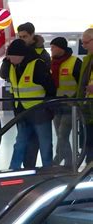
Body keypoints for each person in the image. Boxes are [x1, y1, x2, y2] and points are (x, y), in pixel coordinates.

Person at [0, 39, 56, 170]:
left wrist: (48, 107)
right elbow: (3, 74)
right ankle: (14, 169)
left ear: (19, 55)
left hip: (39, 111)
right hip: (22, 112)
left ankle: (48, 170)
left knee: (45, 143)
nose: (8, 58)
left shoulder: (37, 65)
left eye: (10, 56)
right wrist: (6, 62)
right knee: (20, 142)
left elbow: (50, 88)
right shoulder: (13, 66)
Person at [49, 37, 82, 166]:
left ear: (60, 48)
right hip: (57, 105)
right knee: (60, 135)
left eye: (53, 47)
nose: (51, 50)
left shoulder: (75, 62)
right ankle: (68, 160)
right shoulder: (52, 63)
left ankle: (63, 161)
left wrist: (75, 98)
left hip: (71, 105)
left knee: (63, 134)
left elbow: (81, 84)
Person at [78, 28, 93, 164]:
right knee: (88, 141)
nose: (84, 47)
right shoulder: (87, 60)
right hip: (87, 107)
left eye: (86, 43)